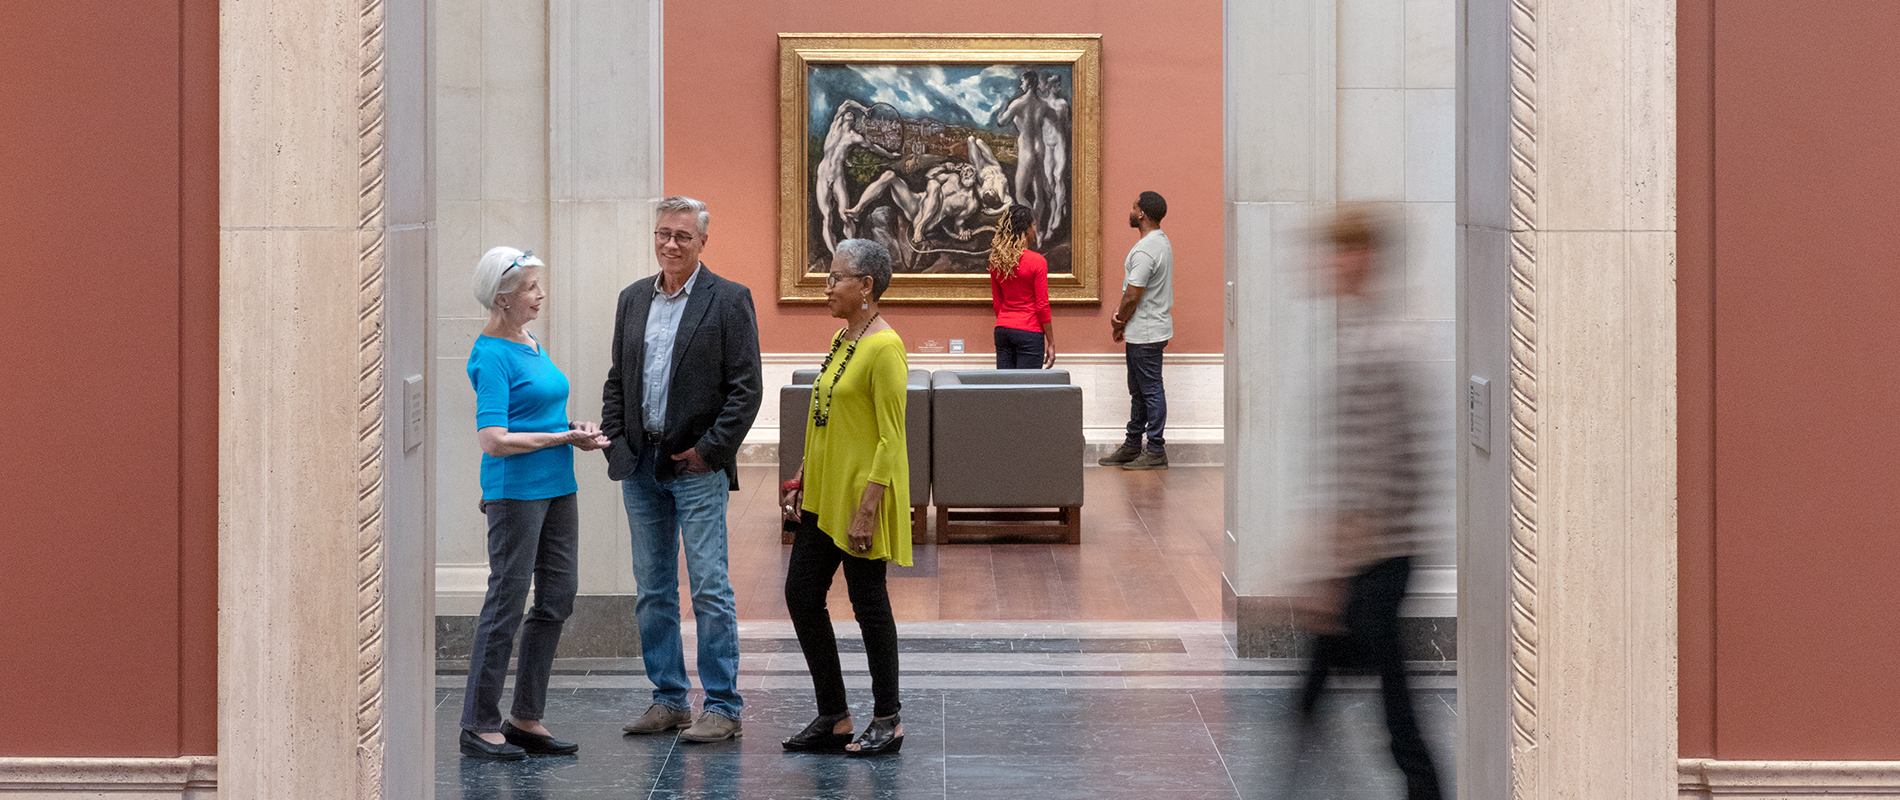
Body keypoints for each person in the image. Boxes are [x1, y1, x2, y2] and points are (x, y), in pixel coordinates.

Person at [1295, 206, 1443, 800]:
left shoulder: (1379, 347)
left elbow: (1373, 472)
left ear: (1362, 259)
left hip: (1374, 557)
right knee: (1360, 698)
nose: (1324, 265)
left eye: (1336, 252)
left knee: (1389, 704)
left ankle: (1426, 786)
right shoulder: (1361, 337)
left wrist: (1333, 572)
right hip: (1371, 553)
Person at [602, 196, 762, 743]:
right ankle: (668, 698)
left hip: (696, 468)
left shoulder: (729, 300)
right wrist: (617, 446)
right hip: (640, 466)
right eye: (663, 234)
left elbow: (746, 390)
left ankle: (723, 706)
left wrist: (708, 451)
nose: (670, 244)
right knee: (652, 588)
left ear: (702, 242)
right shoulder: (631, 299)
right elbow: (618, 380)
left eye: (682, 237)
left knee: (710, 588)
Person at [460, 246, 611, 761]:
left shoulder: (529, 340)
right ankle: (478, 723)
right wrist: (560, 440)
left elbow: (540, 415)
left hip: (556, 487)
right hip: (515, 492)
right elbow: (494, 439)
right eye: (530, 288)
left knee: (556, 598)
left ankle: (525, 716)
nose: (540, 295)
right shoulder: (491, 355)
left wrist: (573, 430)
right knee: (506, 602)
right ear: (503, 299)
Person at [777, 238, 912, 757]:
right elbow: (827, 413)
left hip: (860, 500)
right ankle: (834, 716)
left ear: (867, 286)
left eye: (836, 277)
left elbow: (890, 436)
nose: (827, 286)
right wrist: (804, 474)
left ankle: (888, 718)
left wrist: (869, 506)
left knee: (869, 604)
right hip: (824, 496)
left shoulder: (884, 346)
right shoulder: (843, 339)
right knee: (801, 595)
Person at [1098, 191, 1174, 471]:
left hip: (1145, 332)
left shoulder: (1145, 250)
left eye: (1133, 207)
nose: (1130, 211)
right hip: (1149, 329)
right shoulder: (1161, 242)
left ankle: (1154, 449)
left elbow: (1133, 294)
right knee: (1140, 391)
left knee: (1150, 390)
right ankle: (1132, 445)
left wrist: (1118, 320)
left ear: (1142, 214)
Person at [815, 100, 897, 254]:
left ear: (853, 121)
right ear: (842, 116)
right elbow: (846, 103)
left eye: (853, 114)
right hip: (823, 175)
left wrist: (890, 154)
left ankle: (850, 250)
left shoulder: (854, 137)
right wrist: (863, 108)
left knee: (845, 215)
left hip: (838, 177)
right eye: (848, 112)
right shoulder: (835, 126)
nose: (850, 113)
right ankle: (835, 256)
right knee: (827, 217)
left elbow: (873, 147)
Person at [987, 203, 1056, 369]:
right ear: (1026, 230)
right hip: (1029, 330)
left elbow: (998, 304)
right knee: (1027, 389)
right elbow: (1042, 305)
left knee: (1006, 387)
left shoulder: (997, 261)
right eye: (1033, 225)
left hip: (1003, 329)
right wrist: (1051, 341)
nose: (1035, 229)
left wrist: (1009, 322)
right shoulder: (1037, 261)